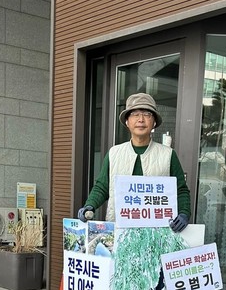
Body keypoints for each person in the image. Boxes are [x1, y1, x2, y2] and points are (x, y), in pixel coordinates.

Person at [77, 93, 191, 232]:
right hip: (119, 228)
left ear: (154, 121)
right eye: (135, 114)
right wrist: (90, 205)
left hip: (157, 232)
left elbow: (181, 190)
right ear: (127, 121)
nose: (141, 119)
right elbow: (102, 187)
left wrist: (184, 213)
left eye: (147, 114)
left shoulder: (168, 155)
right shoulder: (114, 153)